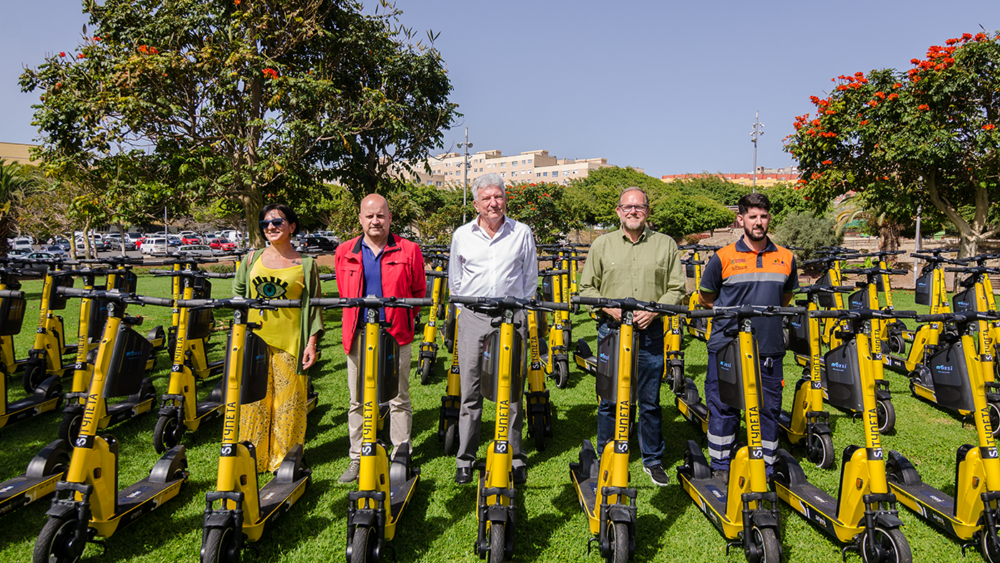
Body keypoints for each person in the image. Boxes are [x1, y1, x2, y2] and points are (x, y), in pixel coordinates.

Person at [578, 186, 685, 486]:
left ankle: (652, 459)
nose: (633, 211)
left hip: (650, 332)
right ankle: (606, 454)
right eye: (628, 207)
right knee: (609, 399)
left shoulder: (666, 245)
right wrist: (609, 308)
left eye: (639, 207)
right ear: (618, 212)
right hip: (611, 332)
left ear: (648, 211)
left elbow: (677, 288)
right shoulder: (602, 245)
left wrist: (655, 311)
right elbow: (587, 289)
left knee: (649, 399)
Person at [698, 192, 798, 480]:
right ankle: (720, 466)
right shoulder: (722, 257)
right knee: (723, 407)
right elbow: (707, 297)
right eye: (752, 216)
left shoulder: (786, 258)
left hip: (769, 347)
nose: (759, 222)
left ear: (769, 219)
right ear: (741, 219)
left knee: (768, 409)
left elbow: (786, 297)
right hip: (726, 345)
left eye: (763, 216)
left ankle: (765, 465)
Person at [449, 173, 538, 485]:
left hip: (511, 318)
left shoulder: (522, 233)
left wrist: (518, 309)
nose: (493, 203)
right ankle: (466, 458)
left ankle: (514, 456)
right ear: (476, 203)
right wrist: (468, 312)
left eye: (498, 197)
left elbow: (530, 277)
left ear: (505, 199)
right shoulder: (462, 235)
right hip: (473, 317)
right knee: (470, 390)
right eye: (486, 198)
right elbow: (455, 281)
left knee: (512, 391)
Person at [335, 194, 427, 483]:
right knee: (358, 399)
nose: (376, 221)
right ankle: (358, 456)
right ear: (360, 219)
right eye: (370, 216)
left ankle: (401, 452)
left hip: (394, 334)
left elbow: (417, 291)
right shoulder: (345, 251)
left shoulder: (409, 250)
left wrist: (403, 319)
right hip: (358, 334)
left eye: (381, 215)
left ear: (390, 218)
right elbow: (343, 292)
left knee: (398, 397)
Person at [233, 203, 324, 472]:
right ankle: (252, 457)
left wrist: (311, 343)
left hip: (291, 343)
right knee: (253, 401)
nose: (270, 227)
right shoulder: (251, 259)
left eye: (277, 222)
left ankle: (284, 460)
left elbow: (315, 305)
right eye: (265, 224)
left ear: (292, 226)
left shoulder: (306, 264)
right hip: (255, 341)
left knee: (288, 404)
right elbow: (239, 295)